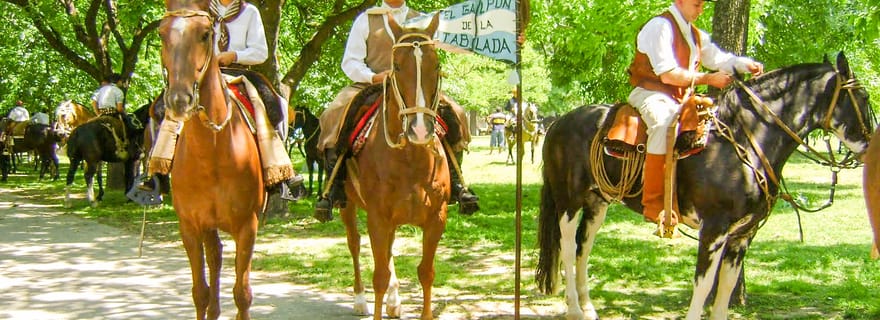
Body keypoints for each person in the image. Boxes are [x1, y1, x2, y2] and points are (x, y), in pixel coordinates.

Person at [314, 0, 479, 221]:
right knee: (334, 113)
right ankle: (335, 185)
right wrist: (373, 77)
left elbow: (454, 42)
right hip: (373, 84)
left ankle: (456, 182)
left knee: (456, 112)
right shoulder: (366, 19)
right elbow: (351, 62)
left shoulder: (421, 19)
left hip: (412, 88)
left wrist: (506, 40)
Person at [138, 0, 302, 201]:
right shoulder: (199, 12)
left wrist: (234, 55)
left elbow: (261, 52)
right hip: (201, 74)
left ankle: (278, 172)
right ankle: (157, 173)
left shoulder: (250, 12)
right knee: (161, 109)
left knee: (274, 106)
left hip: (238, 72)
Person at [627, 0, 763, 225]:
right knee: (663, 125)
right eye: (696, 4)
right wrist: (708, 79)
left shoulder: (695, 34)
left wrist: (745, 65)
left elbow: (719, 59)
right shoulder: (659, 26)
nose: (700, 10)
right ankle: (654, 204)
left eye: (702, 5)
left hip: (680, 100)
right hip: (651, 93)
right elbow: (668, 75)